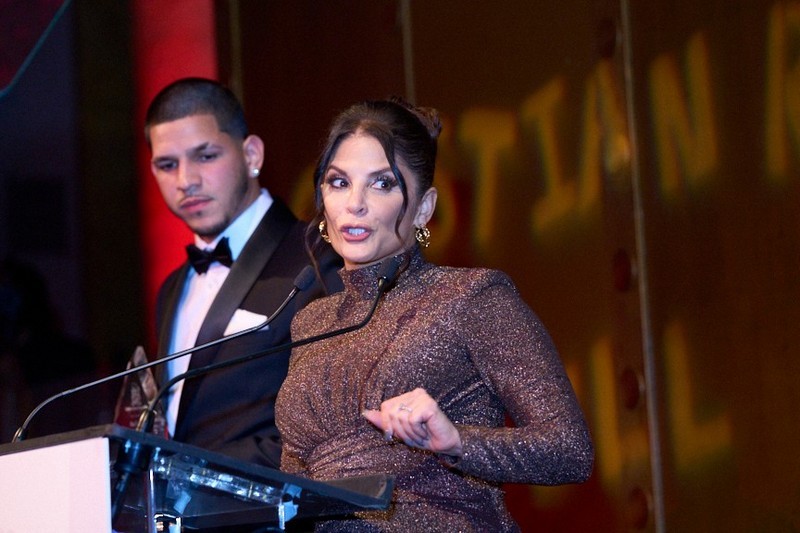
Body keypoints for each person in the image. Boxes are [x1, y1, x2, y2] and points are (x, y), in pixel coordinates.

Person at [275, 98, 594, 531]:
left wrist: (456, 441)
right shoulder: (311, 322)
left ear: (424, 208)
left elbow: (570, 449)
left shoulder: (472, 298)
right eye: (339, 182)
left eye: (382, 184)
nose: (355, 203)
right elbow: (293, 485)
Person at [144, 77, 341, 468]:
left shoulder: (319, 258)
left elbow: (333, 428)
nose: (186, 181)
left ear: (251, 154)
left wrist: (195, 472)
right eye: (167, 165)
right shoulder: (171, 289)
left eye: (205, 156)